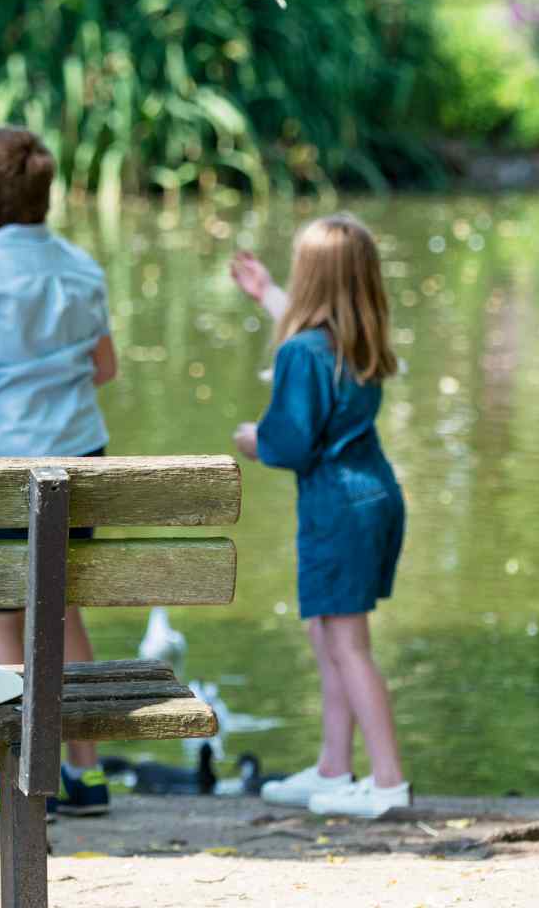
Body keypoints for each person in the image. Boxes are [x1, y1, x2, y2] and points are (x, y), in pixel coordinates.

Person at [0, 126, 119, 822]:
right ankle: (87, 773)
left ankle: (18, 778)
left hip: (0, 466)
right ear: (47, 195)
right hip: (78, 460)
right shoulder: (81, 267)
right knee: (63, 605)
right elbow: (104, 368)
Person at [230, 215, 412, 819]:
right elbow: (306, 337)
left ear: (309, 278)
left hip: (337, 508)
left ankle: (387, 781)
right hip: (373, 496)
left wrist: (255, 440)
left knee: (348, 644)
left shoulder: (302, 354)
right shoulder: (358, 340)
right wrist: (267, 294)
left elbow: (293, 441)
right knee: (325, 632)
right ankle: (334, 769)